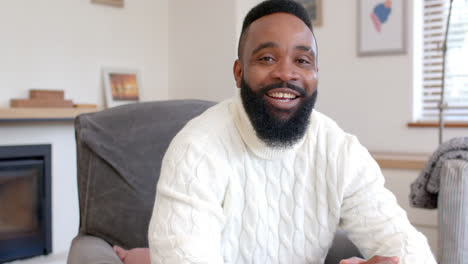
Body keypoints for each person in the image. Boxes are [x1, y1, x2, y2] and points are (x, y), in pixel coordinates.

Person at [116, 0, 436, 263]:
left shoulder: (341, 152)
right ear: (239, 72)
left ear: (316, 74)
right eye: (267, 58)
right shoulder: (195, 150)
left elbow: (406, 245)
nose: (286, 73)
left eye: (302, 60)